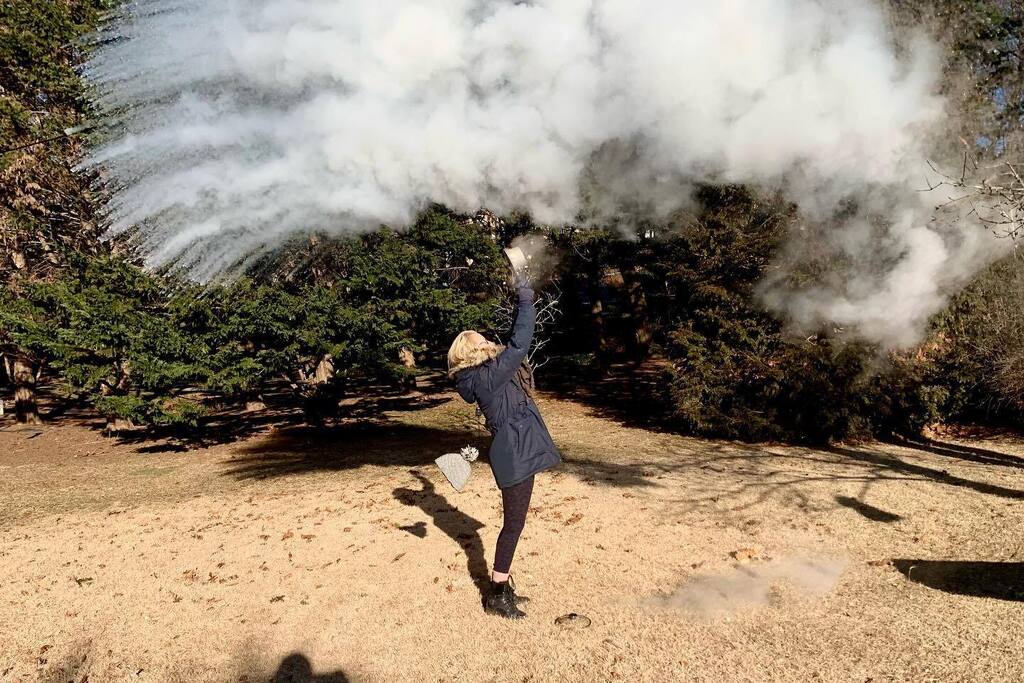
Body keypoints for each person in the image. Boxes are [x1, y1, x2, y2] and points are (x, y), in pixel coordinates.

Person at [446, 278, 562, 619]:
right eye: (482, 341)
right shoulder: (487, 377)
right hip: (513, 454)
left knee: (516, 523)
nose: (488, 342)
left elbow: (511, 344)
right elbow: (519, 342)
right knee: (513, 526)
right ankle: (497, 593)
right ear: (472, 353)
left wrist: (519, 296)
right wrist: (525, 298)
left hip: (516, 449)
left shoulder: (485, 374)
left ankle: (503, 585)